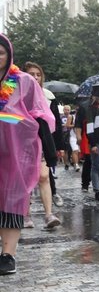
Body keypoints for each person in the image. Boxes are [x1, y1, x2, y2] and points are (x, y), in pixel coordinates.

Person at [0, 34, 56, 274]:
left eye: (0, 52)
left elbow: (41, 113)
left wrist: (48, 147)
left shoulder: (23, 81)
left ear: (8, 54)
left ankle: (8, 255)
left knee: (12, 201)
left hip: (15, 154)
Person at [22, 62, 62, 229]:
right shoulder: (17, 93)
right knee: (25, 180)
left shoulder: (48, 96)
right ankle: (26, 214)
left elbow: (56, 122)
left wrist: (59, 145)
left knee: (44, 177)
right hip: (23, 141)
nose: (35, 77)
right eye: (32, 74)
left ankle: (48, 215)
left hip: (43, 140)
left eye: (38, 74)